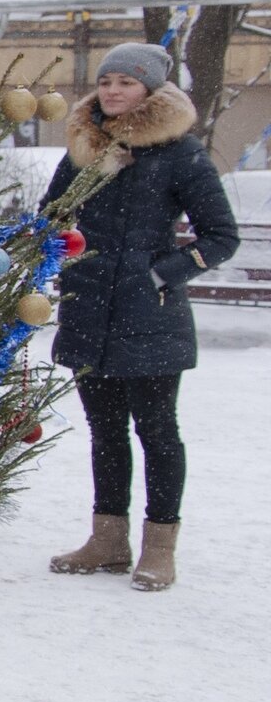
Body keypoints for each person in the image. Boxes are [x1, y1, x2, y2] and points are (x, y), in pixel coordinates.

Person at [43, 43, 238, 592]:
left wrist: (159, 274)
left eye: (126, 82)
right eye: (106, 82)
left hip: (149, 319)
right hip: (88, 312)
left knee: (156, 432)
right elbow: (50, 216)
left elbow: (221, 236)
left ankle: (159, 548)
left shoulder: (180, 152)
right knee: (104, 433)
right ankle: (107, 540)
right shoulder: (84, 148)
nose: (112, 91)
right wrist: (61, 253)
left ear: (150, 90)